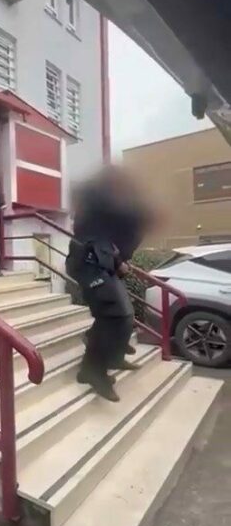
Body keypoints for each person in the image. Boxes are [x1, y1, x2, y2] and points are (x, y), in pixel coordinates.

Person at [67, 166, 155, 402]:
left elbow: (115, 241)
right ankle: (92, 370)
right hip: (89, 264)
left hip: (104, 263)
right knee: (114, 315)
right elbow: (96, 238)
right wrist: (118, 260)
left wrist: (118, 261)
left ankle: (112, 355)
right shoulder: (97, 204)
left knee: (124, 315)